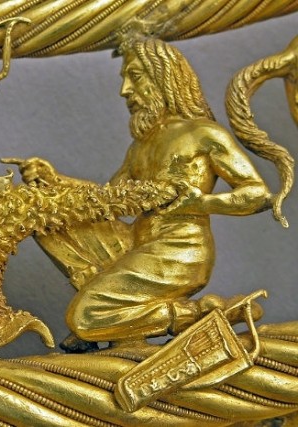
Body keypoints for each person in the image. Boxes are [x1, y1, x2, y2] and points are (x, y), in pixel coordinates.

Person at [18, 37, 272, 351]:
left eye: (135, 77)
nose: (125, 90)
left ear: (164, 78)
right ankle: (125, 330)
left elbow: (258, 193)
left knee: (84, 317)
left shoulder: (202, 134)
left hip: (178, 253)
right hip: (138, 243)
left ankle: (196, 314)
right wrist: (55, 180)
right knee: (48, 219)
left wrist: (202, 202)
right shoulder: (141, 146)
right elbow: (109, 200)